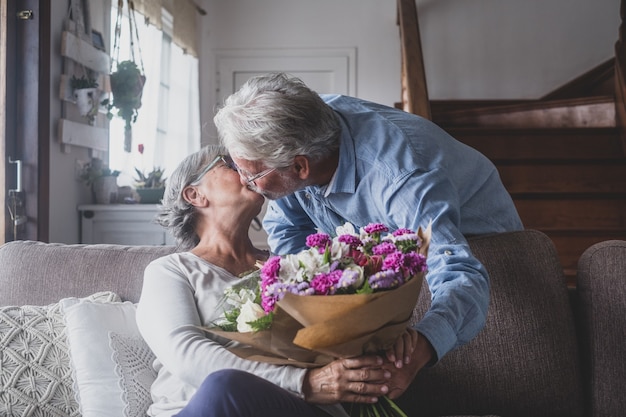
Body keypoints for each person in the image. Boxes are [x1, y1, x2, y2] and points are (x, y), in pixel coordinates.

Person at [214, 72, 524, 401]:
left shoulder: (399, 177)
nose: (248, 184)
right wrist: (304, 296)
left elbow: (460, 270)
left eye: (253, 175)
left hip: (478, 246)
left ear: (301, 166)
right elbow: (287, 228)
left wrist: (418, 351)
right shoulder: (298, 137)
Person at [136, 145, 396, 417]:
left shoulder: (295, 267)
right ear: (194, 194)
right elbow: (185, 354)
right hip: (198, 408)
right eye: (229, 163)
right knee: (222, 386)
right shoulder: (171, 270)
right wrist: (304, 383)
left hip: (290, 408)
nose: (248, 168)